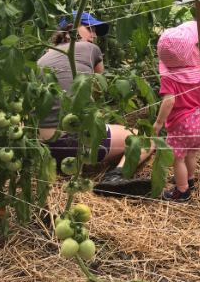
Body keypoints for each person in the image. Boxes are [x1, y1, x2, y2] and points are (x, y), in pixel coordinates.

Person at [36, 11, 151, 198]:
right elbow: (98, 87)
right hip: (75, 143)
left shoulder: (41, 60)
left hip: (42, 149)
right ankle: (115, 177)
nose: (95, 36)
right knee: (143, 139)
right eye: (90, 29)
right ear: (69, 32)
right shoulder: (91, 49)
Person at [153, 21, 200, 202]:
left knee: (178, 159)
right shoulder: (197, 73)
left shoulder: (170, 78)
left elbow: (169, 102)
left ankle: (182, 191)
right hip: (197, 121)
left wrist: (159, 122)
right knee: (191, 154)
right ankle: (189, 180)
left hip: (181, 124)